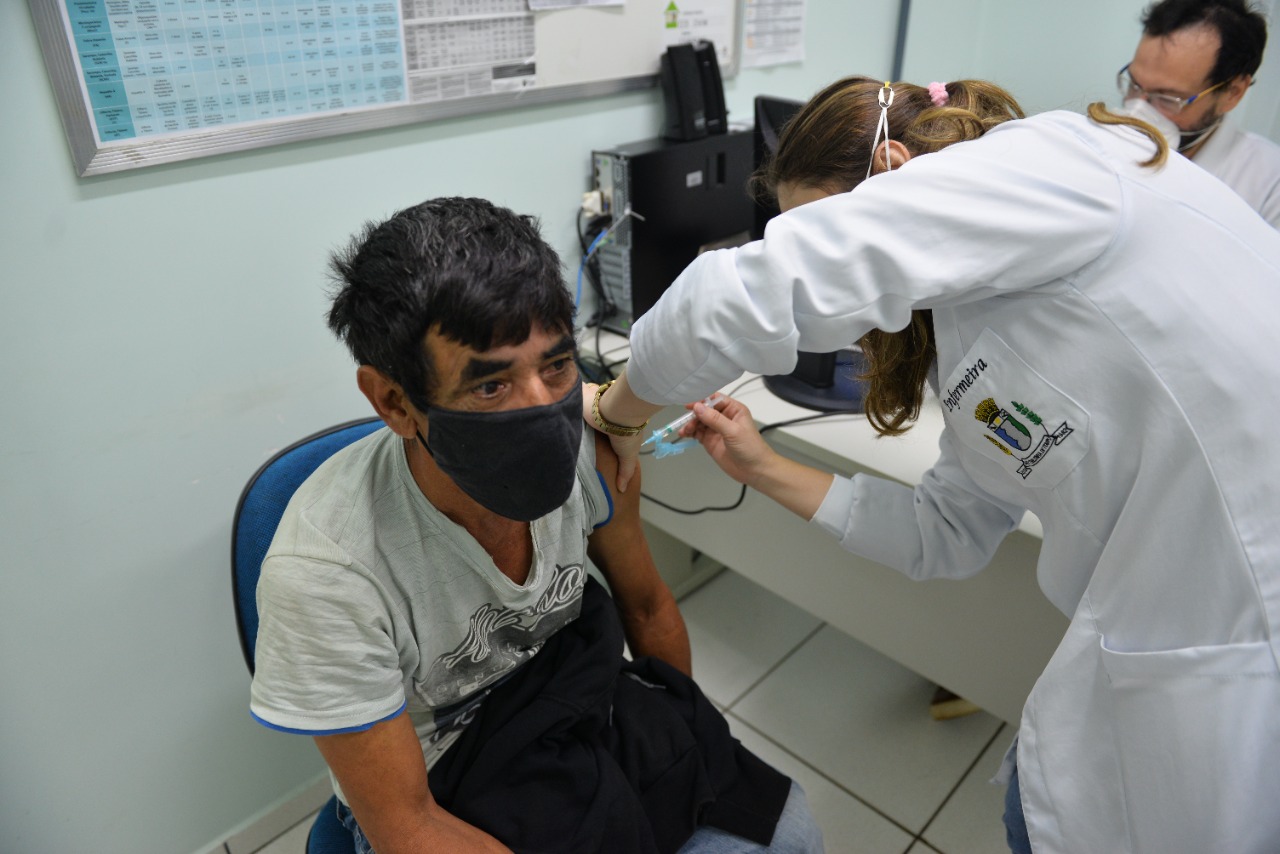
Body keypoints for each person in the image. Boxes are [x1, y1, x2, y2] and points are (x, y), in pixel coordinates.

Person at [587, 77, 1280, 854]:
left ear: (893, 168)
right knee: (1043, 802)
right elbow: (947, 530)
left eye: (819, 228)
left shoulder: (1046, 167)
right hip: (1158, 640)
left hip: (1239, 639)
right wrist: (760, 465)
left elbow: (730, 298)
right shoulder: (981, 305)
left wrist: (612, 413)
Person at [249, 197, 823, 854]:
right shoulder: (326, 575)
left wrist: (686, 740)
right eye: (491, 388)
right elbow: (406, 824)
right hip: (451, 774)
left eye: (555, 367)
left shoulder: (591, 451)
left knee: (789, 830)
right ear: (395, 402)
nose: (544, 411)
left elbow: (646, 603)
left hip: (572, 696)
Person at [1119, 0, 1280, 227]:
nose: (1137, 110)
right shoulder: (1107, 147)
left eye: (1167, 98)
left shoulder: (1270, 187)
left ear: (1232, 93)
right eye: (1134, 85)